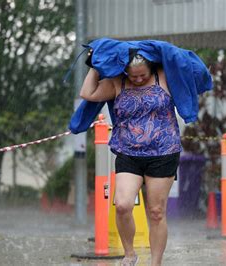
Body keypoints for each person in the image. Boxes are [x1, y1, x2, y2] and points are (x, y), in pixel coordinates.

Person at [80, 53, 180, 266]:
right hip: (128, 152)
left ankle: (156, 263)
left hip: (163, 152)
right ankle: (129, 254)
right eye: (133, 76)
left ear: (151, 68)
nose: (138, 79)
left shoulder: (164, 76)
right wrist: (95, 65)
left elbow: (193, 82)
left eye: (142, 75)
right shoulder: (118, 81)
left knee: (156, 211)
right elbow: (87, 93)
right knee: (123, 205)